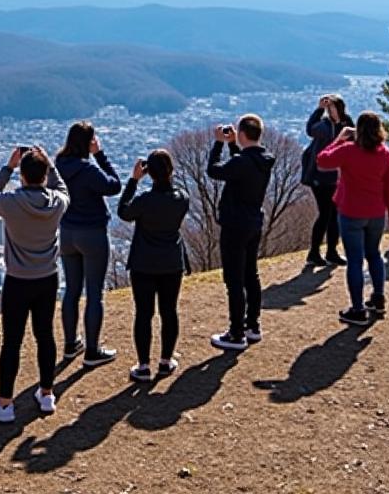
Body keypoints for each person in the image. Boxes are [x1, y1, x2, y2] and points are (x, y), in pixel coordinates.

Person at [0, 145, 69, 424]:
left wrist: (8, 167)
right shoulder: (56, 202)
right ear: (44, 175)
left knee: (12, 342)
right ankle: (46, 393)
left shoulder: (12, 203)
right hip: (48, 278)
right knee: (45, 335)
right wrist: (50, 165)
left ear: (22, 176)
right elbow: (64, 190)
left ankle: (5, 404)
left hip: (18, 280)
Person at [317, 112, 389, 326]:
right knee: (374, 254)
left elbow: (322, 161)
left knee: (354, 260)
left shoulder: (348, 151)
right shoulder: (385, 154)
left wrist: (338, 139)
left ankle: (357, 309)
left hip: (351, 212)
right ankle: (378, 297)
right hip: (376, 213)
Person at [117, 149, 190, 381]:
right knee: (169, 312)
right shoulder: (182, 198)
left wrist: (133, 180)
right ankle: (166, 361)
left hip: (144, 263)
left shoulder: (144, 201)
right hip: (171, 261)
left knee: (144, 314)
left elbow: (123, 212)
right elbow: (173, 190)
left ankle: (143, 365)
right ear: (171, 171)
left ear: (150, 173)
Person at [55, 121, 122, 368]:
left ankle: (71, 343)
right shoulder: (88, 170)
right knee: (94, 292)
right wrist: (100, 155)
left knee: (71, 290)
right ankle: (92, 351)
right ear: (88, 142)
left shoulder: (58, 166)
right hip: (92, 233)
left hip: (67, 232)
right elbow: (114, 185)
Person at [207, 114, 275, 351]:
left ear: (243, 133)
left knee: (234, 279)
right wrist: (234, 145)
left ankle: (236, 334)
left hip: (235, 224)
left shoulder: (243, 162)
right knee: (250, 274)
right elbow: (240, 167)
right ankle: (252, 326)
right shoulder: (263, 159)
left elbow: (214, 171)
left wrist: (218, 143)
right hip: (253, 220)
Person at [301, 94, 354, 267]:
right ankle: (314, 252)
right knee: (325, 213)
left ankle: (331, 251)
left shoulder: (347, 124)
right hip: (320, 175)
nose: (331, 111)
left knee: (334, 215)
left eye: (333, 107)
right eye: (329, 108)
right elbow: (310, 130)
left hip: (337, 175)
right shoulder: (324, 125)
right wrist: (318, 110)